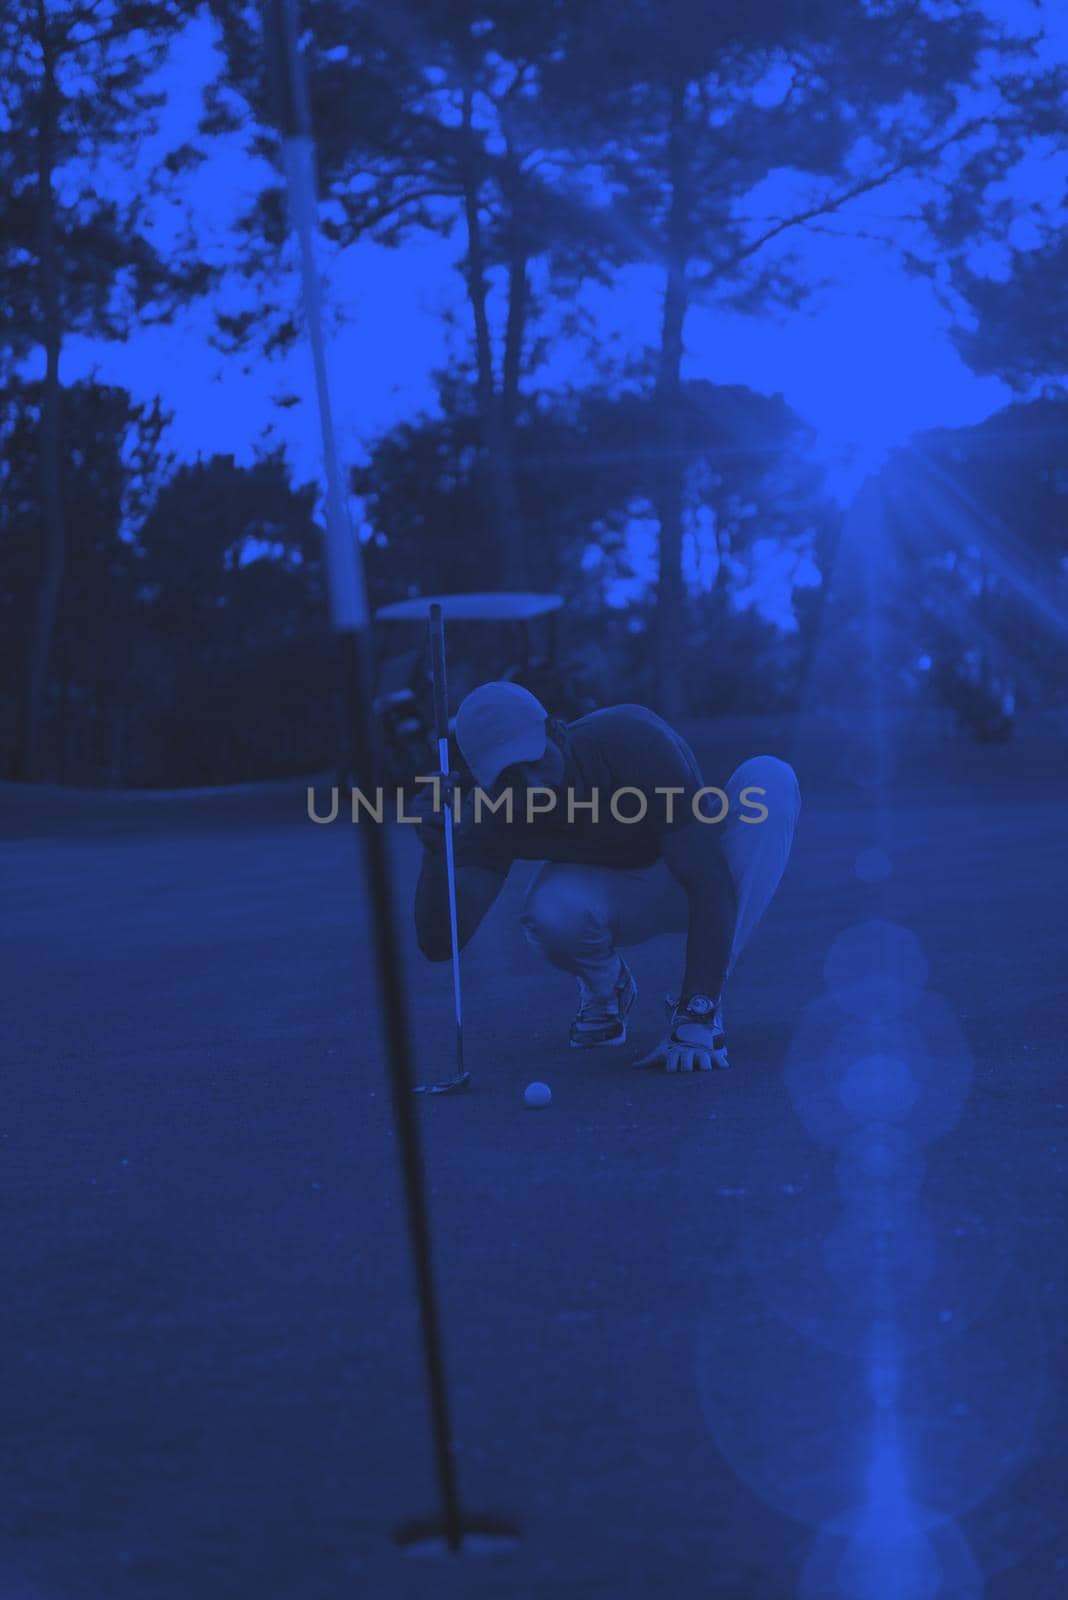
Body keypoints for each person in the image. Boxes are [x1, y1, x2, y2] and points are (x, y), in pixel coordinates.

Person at [413, 683, 800, 1073]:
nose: (532, 787)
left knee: (770, 779)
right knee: (551, 911)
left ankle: (702, 1009)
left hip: (706, 876)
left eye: (535, 762)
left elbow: (708, 879)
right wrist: (433, 854)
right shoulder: (489, 811)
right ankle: (608, 988)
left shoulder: (631, 740)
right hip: (622, 899)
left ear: (558, 732)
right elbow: (440, 943)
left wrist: (697, 1007)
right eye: (510, 779)